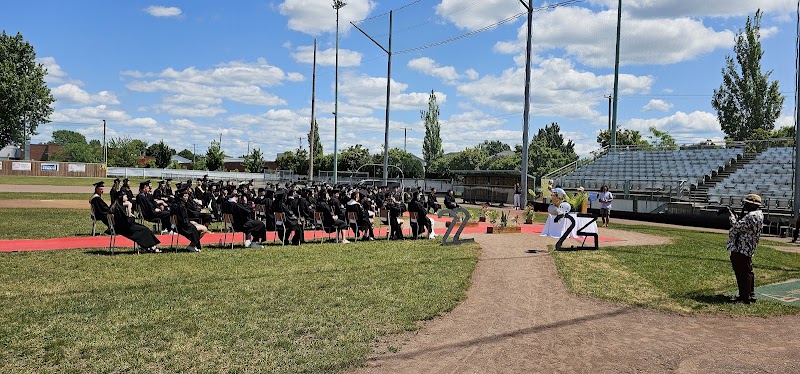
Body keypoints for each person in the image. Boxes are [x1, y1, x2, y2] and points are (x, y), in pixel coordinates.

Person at [727, 194, 764, 304]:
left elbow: (736, 226)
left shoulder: (751, 216)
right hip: (748, 246)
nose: (745, 205)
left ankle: (745, 296)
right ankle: (750, 294)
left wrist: (731, 216)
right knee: (748, 272)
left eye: (747, 203)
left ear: (753, 204)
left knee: (742, 272)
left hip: (742, 247)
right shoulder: (759, 214)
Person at [172, 186, 209, 252]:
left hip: (181, 225)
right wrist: (191, 223)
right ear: (181, 197)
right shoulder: (181, 206)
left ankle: (193, 245)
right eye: (185, 196)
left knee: (197, 224)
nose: (187, 197)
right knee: (204, 229)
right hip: (183, 227)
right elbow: (183, 221)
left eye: (187, 196)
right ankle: (192, 245)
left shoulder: (177, 204)